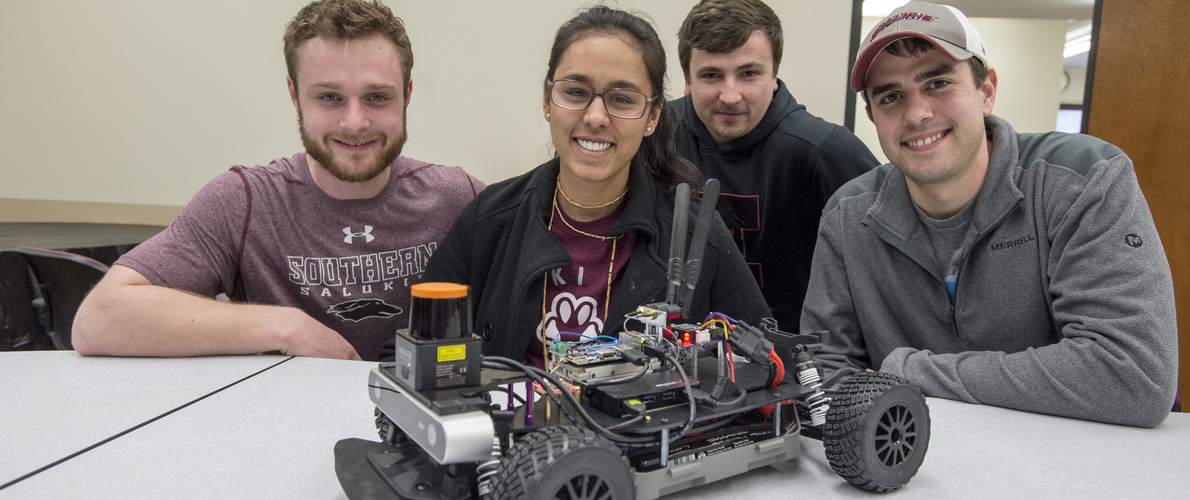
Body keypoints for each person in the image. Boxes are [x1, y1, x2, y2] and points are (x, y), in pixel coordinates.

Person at [801, 2, 1178, 427]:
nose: (917, 113)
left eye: (938, 82)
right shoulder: (848, 217)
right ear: (872, 117)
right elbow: (822, 375)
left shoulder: (1083, 180)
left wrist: (906, 372)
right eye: (890, 96)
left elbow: (1133, 375)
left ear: (986, 91)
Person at [72, 0, 484, 362]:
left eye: (377, 97)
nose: (355, 122)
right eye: (329, 97)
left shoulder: (458, 198)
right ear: (294, 94)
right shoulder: (245, 202)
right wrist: (286, 327)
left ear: (406, 95)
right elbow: (98, 319)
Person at [423, 6, 770, 366]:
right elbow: (417, 360)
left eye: (621, 99)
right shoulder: (488, 220)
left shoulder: (698, 238)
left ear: (652, 117)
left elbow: (766, 368)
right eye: (576, 92)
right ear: (547, 100)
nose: (595, 118)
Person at [673, 0, 879, 329]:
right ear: (687, 80)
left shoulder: (825, 151)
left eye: (748, 74)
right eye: (711, 75)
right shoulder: (654, 137)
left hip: (795, 359)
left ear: (774, 76)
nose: (730, 95)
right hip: (679, 350)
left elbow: (888, 266)